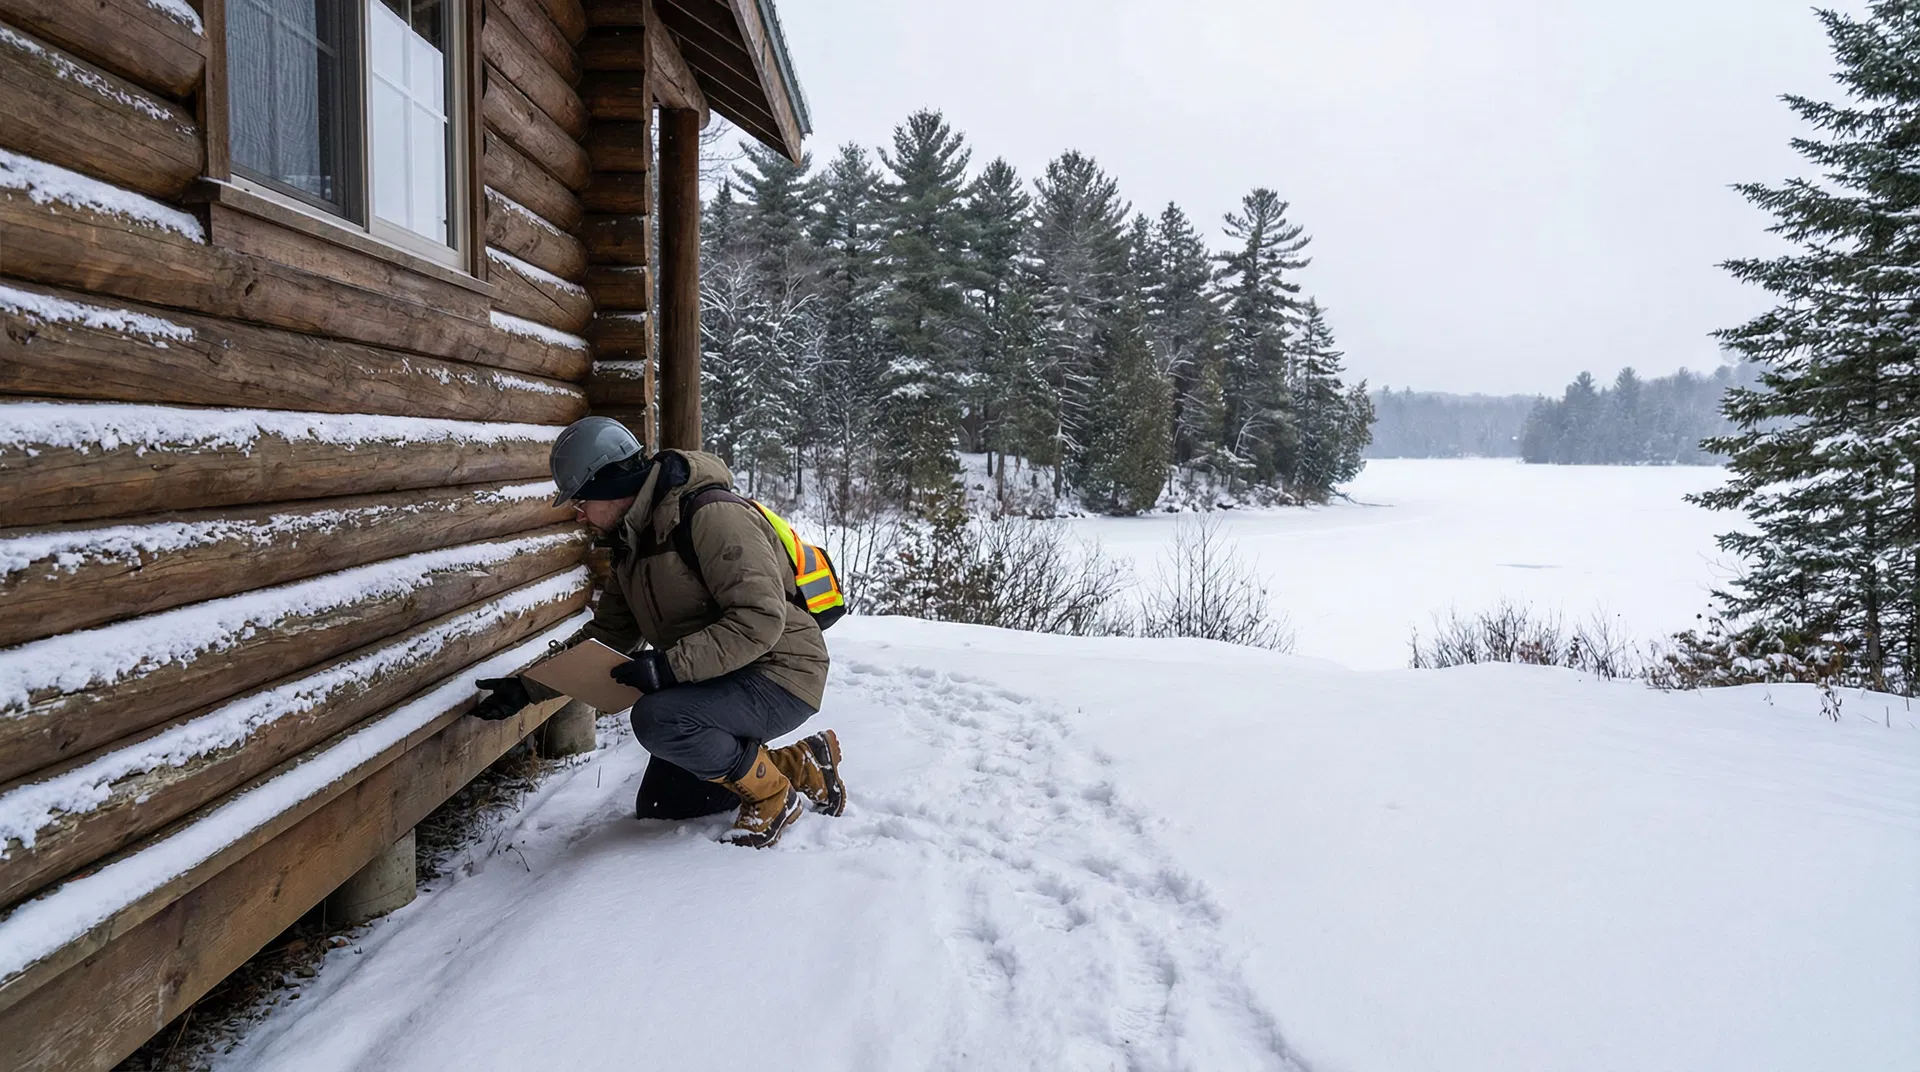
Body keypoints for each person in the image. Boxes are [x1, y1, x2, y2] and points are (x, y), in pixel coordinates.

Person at [470, 417, 842, 849]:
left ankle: (774, 797)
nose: (579, 514)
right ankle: (799, 763)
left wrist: (667, 668)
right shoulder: (632, 542)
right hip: (721, 677)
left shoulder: (711, 516)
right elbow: (608, 635)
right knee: (666, 804)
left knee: (657, 718)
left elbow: (759, 618)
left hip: (781, 672)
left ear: (609, 484)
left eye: (582, 500)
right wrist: (527, 687)